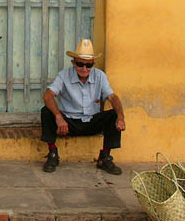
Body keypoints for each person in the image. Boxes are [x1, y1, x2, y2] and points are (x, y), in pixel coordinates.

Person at [40, 39, 126, 175]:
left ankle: (105, 157)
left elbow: (113, 97)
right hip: (68, 123)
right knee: (46, 112)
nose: (84, 69)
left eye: (88, 65)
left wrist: (121, 117)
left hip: (92, 121)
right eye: (80, 64)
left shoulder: (100, 76)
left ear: (93, 64)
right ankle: (52, 153)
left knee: (114, 114)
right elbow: (48, 96)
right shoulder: (64, 75)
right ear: (73, 62)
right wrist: (58, 116)